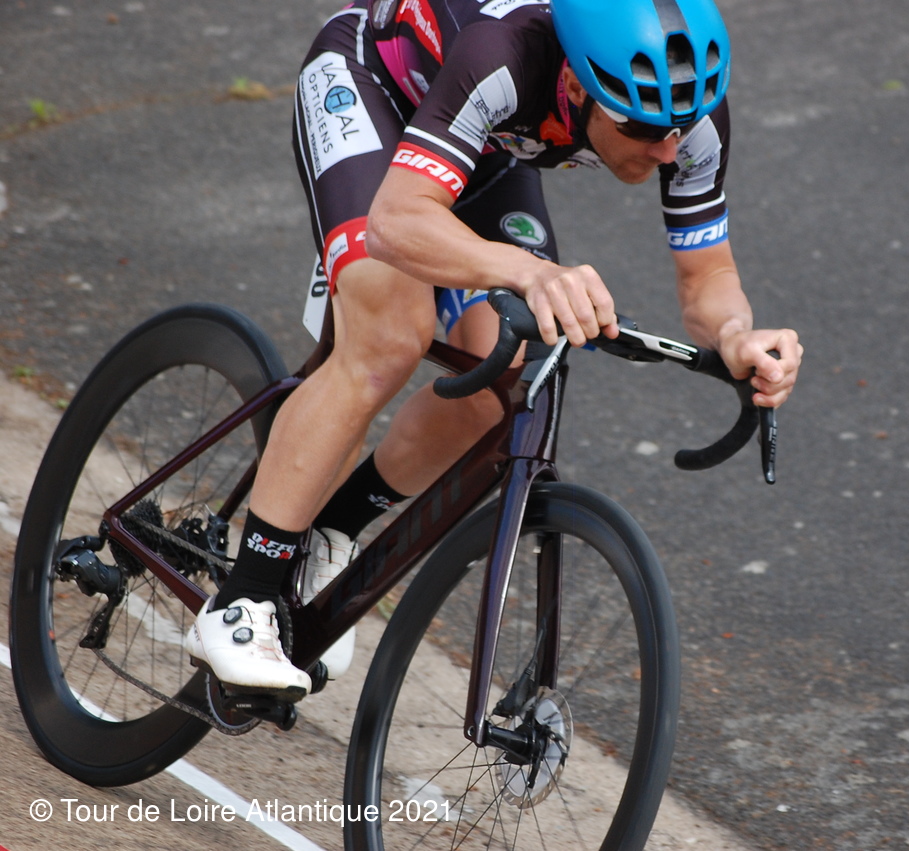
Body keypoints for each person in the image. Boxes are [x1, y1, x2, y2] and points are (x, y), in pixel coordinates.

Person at [184, 0, 802, 699]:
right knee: (389, 338)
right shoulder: (505, 56)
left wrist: (737, 335)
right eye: (640, 128)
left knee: (503, 382)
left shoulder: (683, 110)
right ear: (577, 86)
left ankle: (330, 531)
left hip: (487, 146)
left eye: (678, 130)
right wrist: (527, 271)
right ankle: (242, 599)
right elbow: (395, 221)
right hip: (374, 89)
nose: (668, 149)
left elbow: (707, 277)